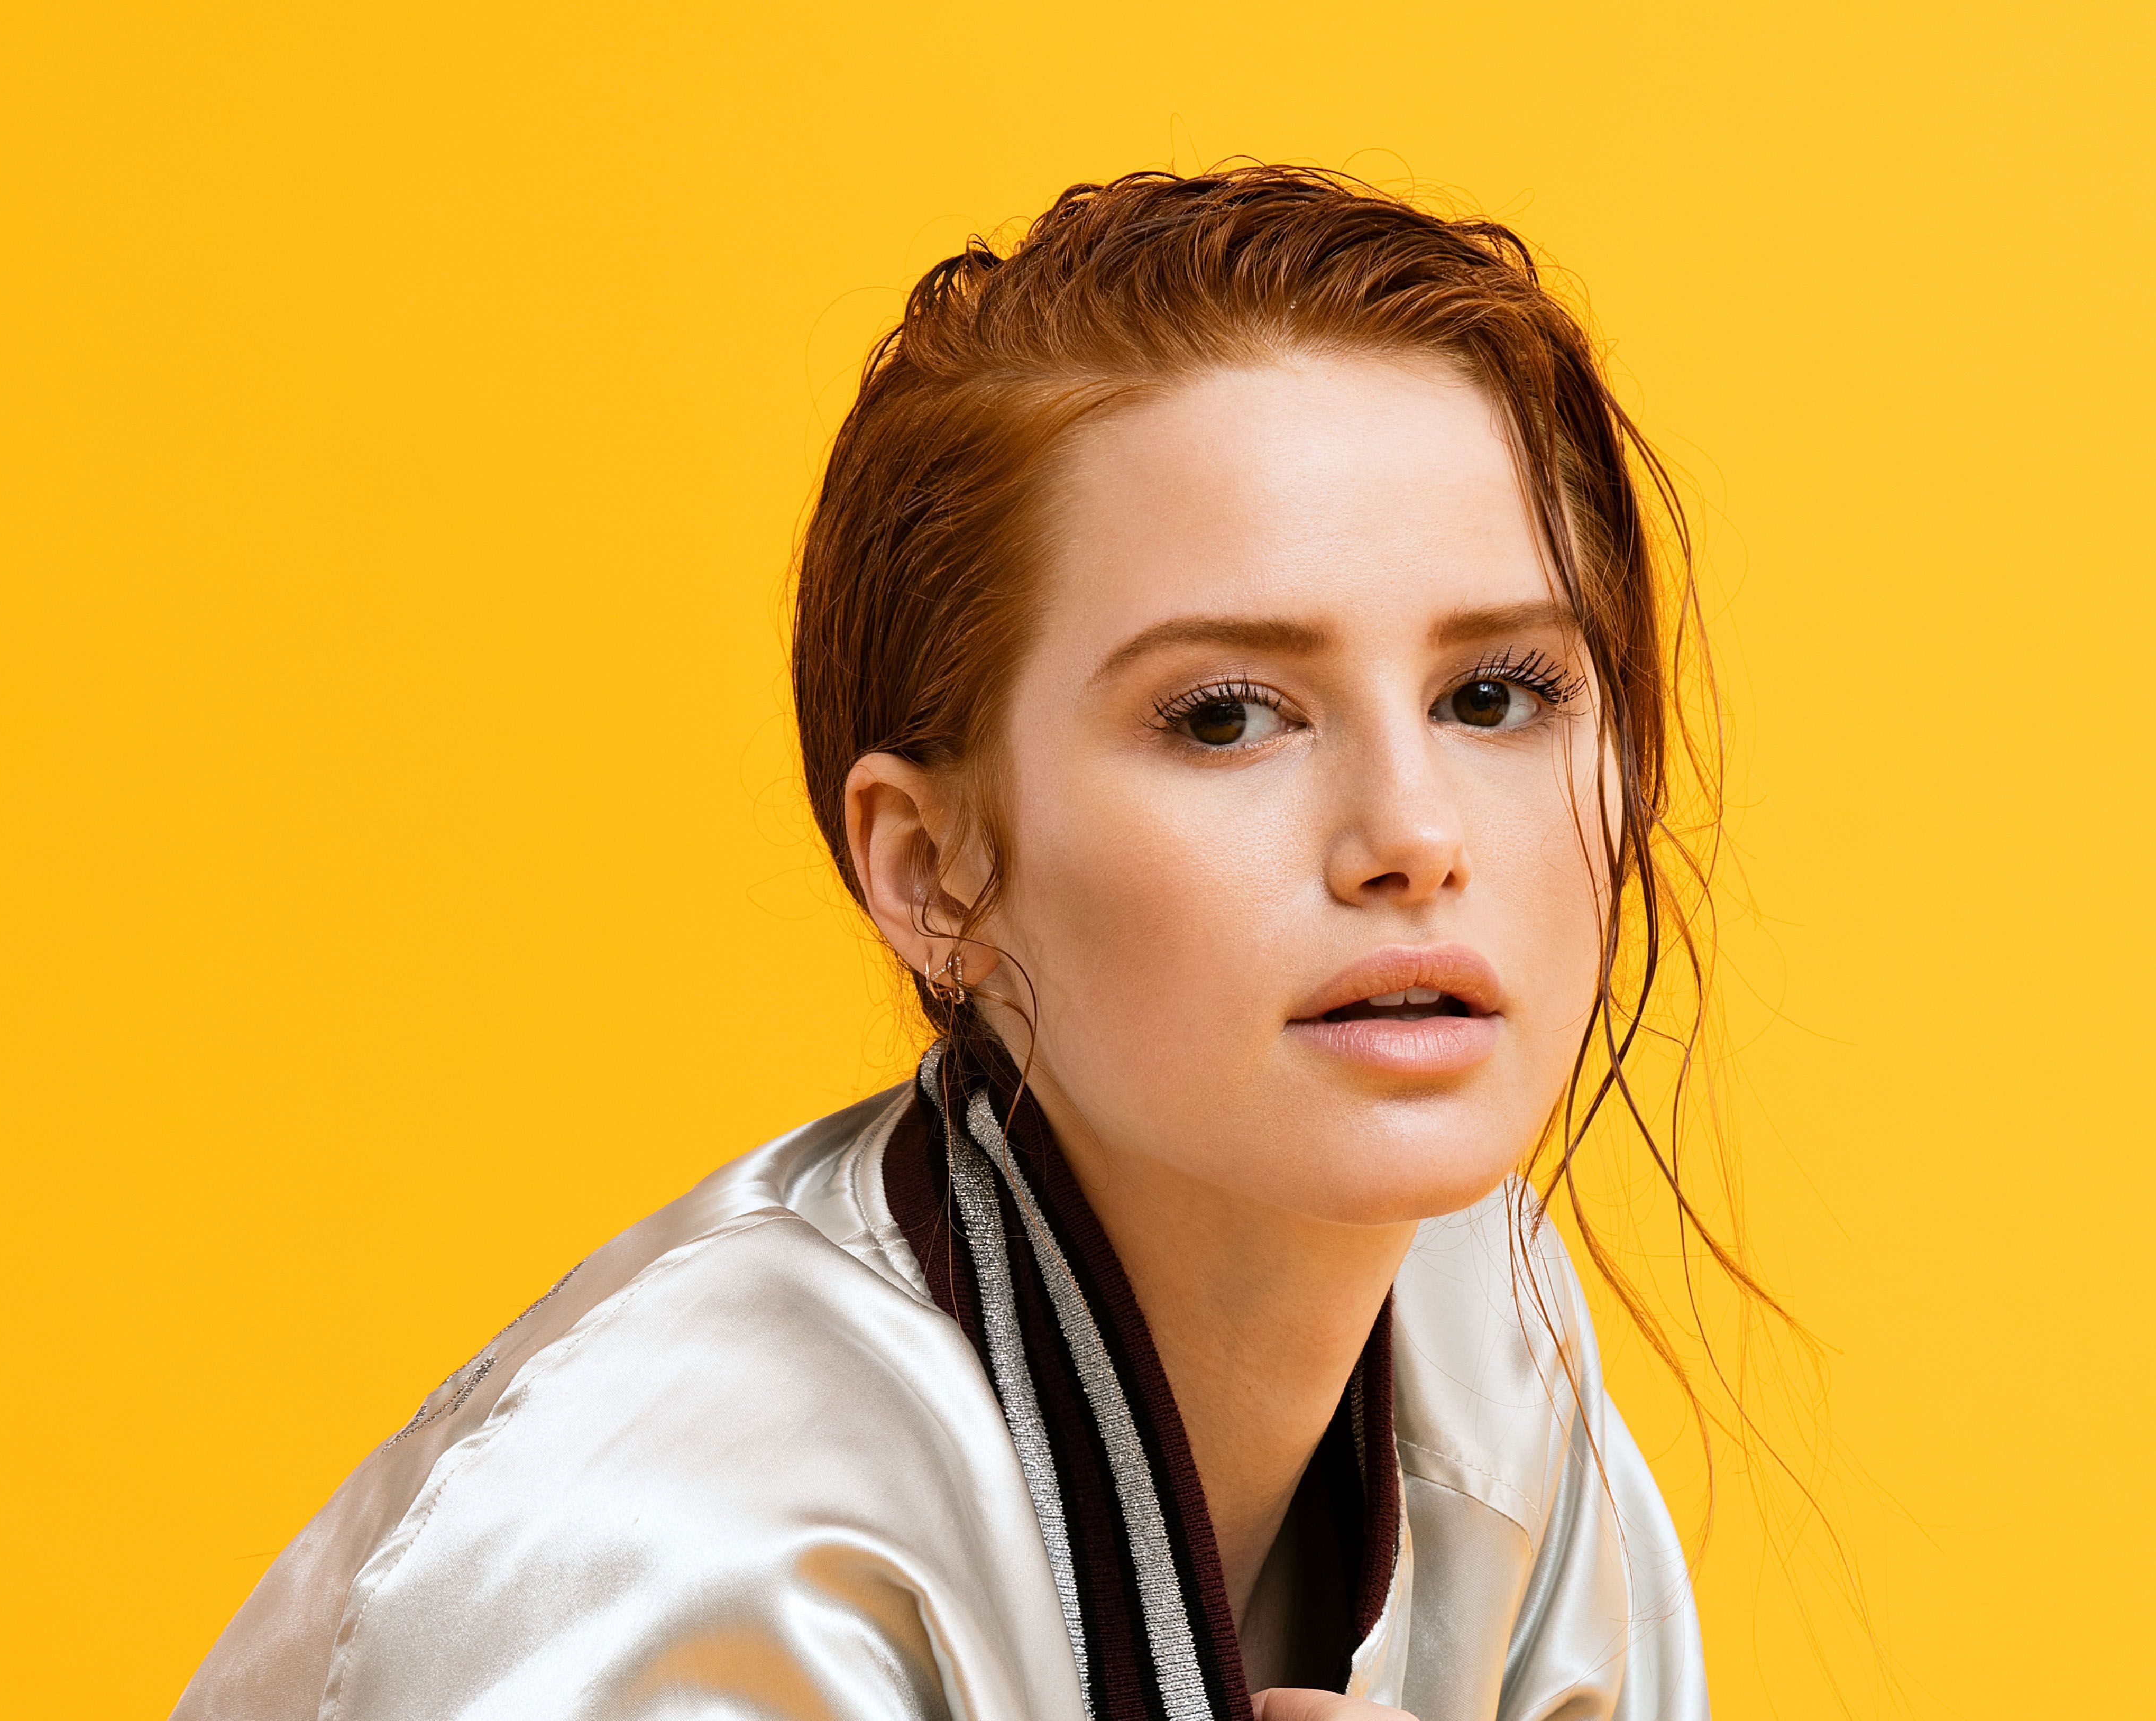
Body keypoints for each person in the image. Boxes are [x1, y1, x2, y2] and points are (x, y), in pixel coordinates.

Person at [177, 165, 1713, 1721]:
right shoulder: (664, 1547)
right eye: (1225, 718)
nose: (1415, 833)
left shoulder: (1483, 1328)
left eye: (1495, 696)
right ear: (934, 873)